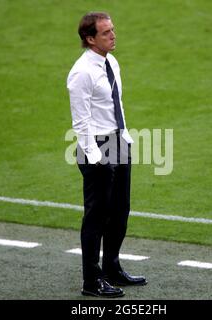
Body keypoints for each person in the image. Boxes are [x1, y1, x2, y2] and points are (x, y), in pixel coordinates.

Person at [67, 12, 147, 298]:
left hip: (117, 143)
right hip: (97, 150)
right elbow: (81, 121)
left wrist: (124, 136)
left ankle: (112, 268)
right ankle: (91, 281)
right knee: (96, 217)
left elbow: (117, 104)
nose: (113, 35)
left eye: (113, 29)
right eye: (106, 33)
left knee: (120, 212)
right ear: (90, 39)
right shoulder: (81, 73)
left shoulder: (111, 62)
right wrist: (95, 158)